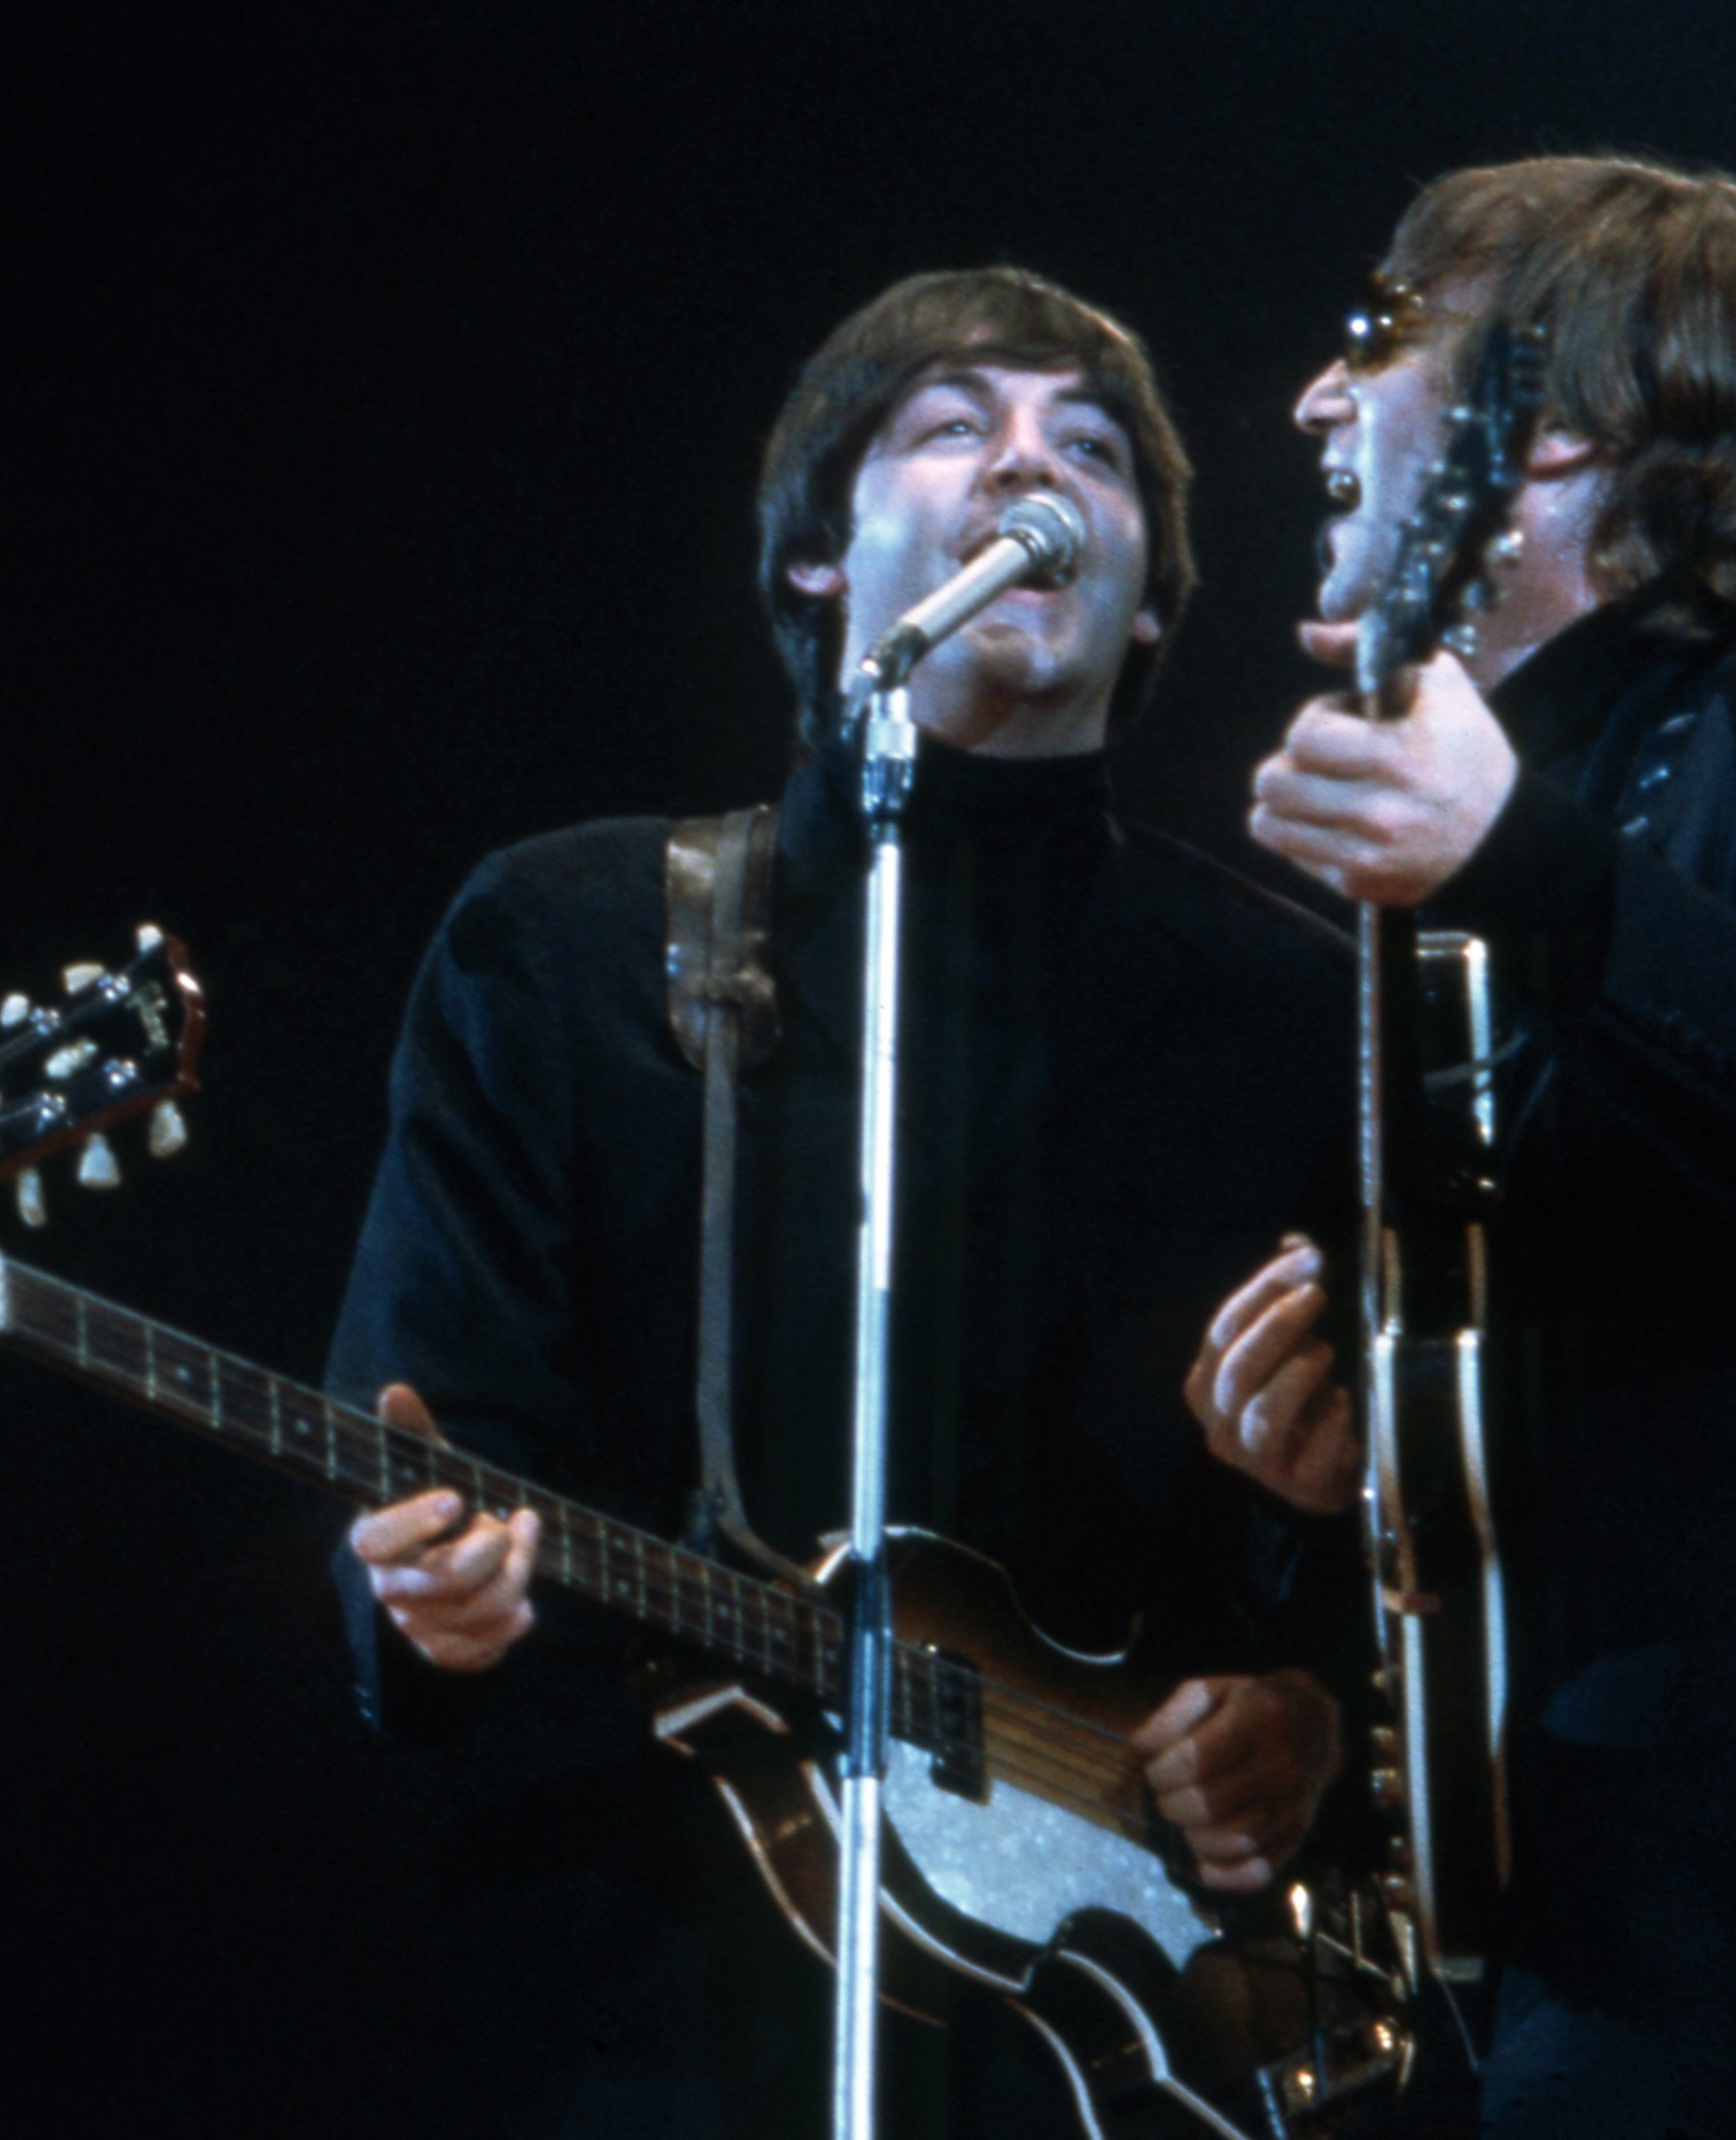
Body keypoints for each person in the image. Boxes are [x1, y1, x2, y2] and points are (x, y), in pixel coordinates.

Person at [329, 268, 1366, 2135]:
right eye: (954, 426)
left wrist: (1317, 1724)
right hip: (649, 1988)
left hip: (1122, 2033)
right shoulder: (570, 945)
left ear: (1147, 591)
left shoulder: (1287, 1006)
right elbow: (424, 1437)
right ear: (819, 557)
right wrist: (420, 1597)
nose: (1028, 469)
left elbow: (1381, 1526)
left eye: (1094, 450)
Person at [1198, 156, 1736, 2136]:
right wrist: (1327, 1449)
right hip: (1562, 1896)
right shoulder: (1474, 822)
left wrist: (1527, 861)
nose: (1315, 403)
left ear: (1558, 419)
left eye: (1378, 337)